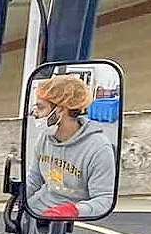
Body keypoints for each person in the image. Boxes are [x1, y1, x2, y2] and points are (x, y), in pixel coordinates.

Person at [26, 74, 117, 221]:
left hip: (75, 222)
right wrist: (18, 198)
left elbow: (104, 200)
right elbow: (34, 178)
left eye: (41, 108)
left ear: (60, 111)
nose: (35, 114)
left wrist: (73, 211)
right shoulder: (45, 137)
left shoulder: (98, 148)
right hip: (38, 211)